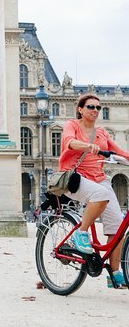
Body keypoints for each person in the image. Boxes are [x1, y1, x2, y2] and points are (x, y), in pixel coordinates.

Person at [60, 93, 129, 288]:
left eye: (99, 108)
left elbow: (119, 152)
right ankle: (81, 234)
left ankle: (115, 273)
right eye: (91, 107)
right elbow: (68, 142)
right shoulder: (72, 125)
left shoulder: (103, 132)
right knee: (102, 194)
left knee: (117, 226)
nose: (95, 111)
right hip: (74, 178)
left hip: (99, 178)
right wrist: (88, 146)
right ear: (80, 109)